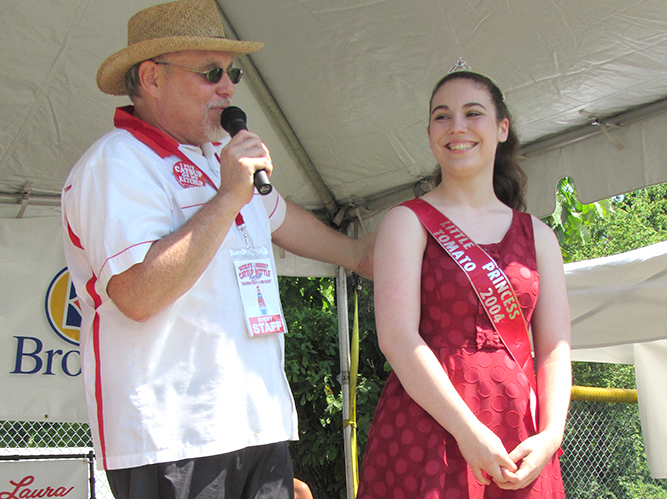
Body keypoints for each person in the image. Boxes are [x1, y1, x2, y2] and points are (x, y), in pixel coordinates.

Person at [60, 0, 374, 498]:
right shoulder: (117, 162)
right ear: (151, 78)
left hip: (258, 421)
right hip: (173, 437)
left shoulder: (217, 160)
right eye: (210, 73)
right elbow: (138, 294)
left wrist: (358, 254)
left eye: (233, 72)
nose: (227, 87)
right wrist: (228, 196)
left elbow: (280, 217)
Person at [356, 68, 571, 498]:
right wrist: (467, 432)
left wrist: (550, 438)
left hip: (519, 434)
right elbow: (397, 339)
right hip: (430, 428)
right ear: (430, 131)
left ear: (501, 128)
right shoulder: (407, 221)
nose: (456, 127)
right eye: (442, 116)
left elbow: (554, 349)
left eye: (473, 113)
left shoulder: (538, 235)